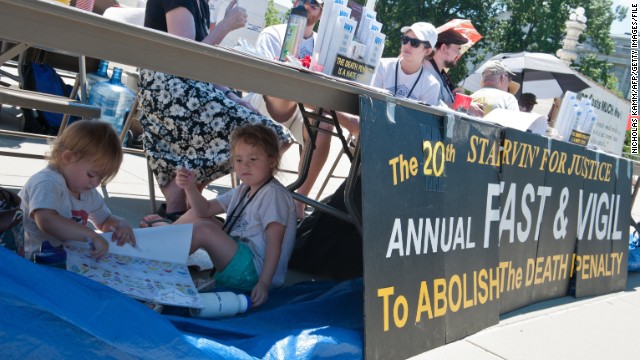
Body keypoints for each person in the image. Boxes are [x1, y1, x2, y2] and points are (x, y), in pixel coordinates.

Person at [139, 0, 295, 221]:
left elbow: (201, 65)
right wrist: (225, 25)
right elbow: (186, 59)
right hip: (167, 91)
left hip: (185, 90)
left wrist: (230, 95)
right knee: (271, 136)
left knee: (271, 136)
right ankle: (191, 200)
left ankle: (186, 199)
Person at [141, 124, 297, 307]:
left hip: (255, 273)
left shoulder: (273, 194)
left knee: (205, 229)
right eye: (238, 160)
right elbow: (204, 209)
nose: (245, 165)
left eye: (253, 159)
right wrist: (190, 187)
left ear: (272, 160)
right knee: (197, 216)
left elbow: (274, 244)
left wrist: (263, 283)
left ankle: (156, 255)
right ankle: (164, 238)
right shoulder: (244, 188)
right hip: (242, 257)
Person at [243, 0, 340, 219]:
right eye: (303, 0)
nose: (307, 6)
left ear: (322, 13)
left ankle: (298, 203)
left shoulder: (323, 47)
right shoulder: (273, 34)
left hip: (302, 110)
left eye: (314, 3)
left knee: (324, 124)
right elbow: (264, 80)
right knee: (284, 89)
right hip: (266, 106)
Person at [19, 121, 136, 260]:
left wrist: (120, 225)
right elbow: (46, 220)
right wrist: (90, 234)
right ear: (68, 158)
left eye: (102, 178)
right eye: (91, 175)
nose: (96, 183)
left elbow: (104, 221)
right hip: (31, 257)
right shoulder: (47, 182)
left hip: (65, 256)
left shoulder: (88, 193)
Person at [372, 22, 440, 105]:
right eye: (405, 39)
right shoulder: (382, 66)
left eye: (415, 43)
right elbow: (371, 104)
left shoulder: (431, 85)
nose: (407, 45)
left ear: (427, 51)